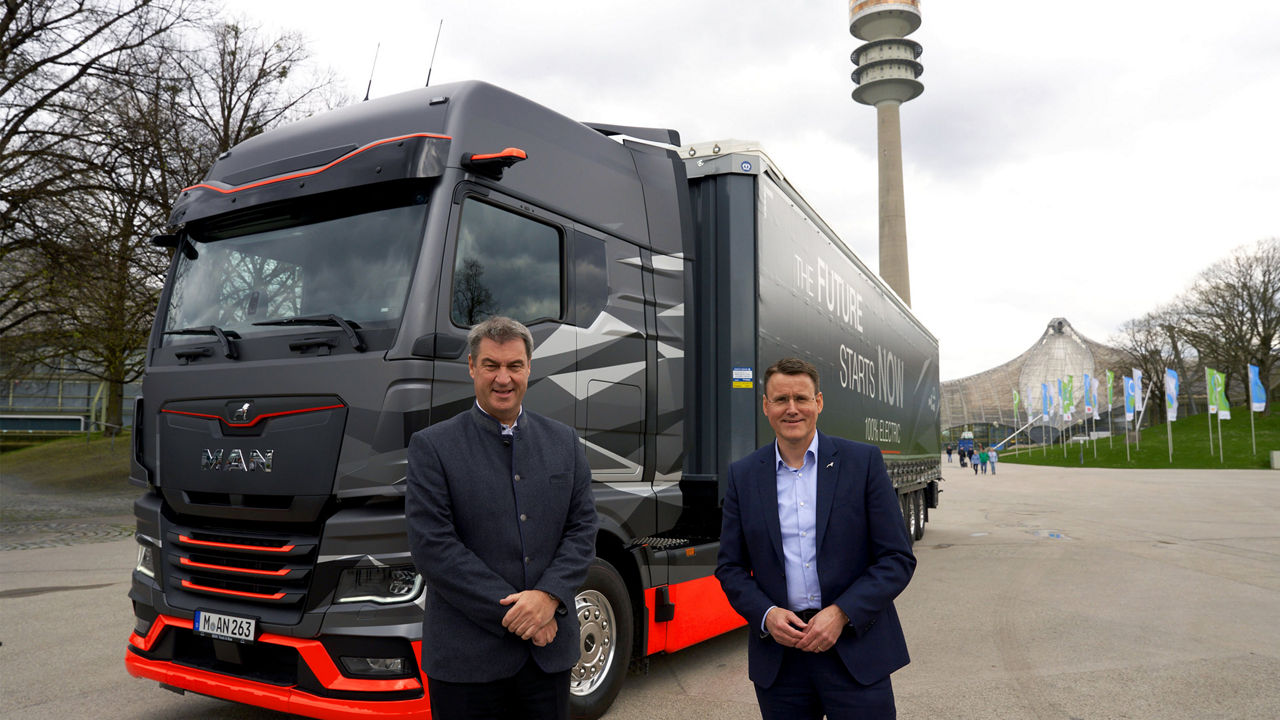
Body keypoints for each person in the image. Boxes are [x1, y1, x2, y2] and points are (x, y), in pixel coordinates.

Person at [406, 316, 598, 720]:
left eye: (514, 366)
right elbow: (434, 548)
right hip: (466, 663)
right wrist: (524, 617)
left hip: (547, 660)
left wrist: (547, 598)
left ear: (529, 368)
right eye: (491, 365)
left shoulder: (564, 442)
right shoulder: (433, 446)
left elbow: (582, 531)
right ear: (472, 367)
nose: (503, 378)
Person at [716, 357, 916, 720]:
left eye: (801, 398)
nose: (792, 409)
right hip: (781, 662)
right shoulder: (743, 476)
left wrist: (841, 614)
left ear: (818, 403)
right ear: (766, 406)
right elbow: (729, 567)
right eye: (781, 400)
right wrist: (766, 615)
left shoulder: (863, 463)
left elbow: (897, 559)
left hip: (855, 651)